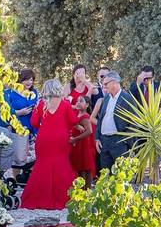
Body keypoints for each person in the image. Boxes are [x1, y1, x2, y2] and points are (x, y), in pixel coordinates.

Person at [21, 79, 79, 210]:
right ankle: (64, 197)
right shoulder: (65, 104)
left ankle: (39, 197)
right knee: (61, 164)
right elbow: (73, 120)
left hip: (44, 138)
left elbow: (34, 122)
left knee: (42, 165)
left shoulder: (41, 104)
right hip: (60, 139)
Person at [91, 72, 134, 171]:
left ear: (114, 82)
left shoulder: (127, 98)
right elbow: (101, 119)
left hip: (119, 142)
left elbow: (133, 122)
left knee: (121, 175)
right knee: (106, 175)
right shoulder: (106, 97)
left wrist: (126, 141)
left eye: (106, 84)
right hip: (104, 142)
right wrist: (97, 138)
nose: (104, 86)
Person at [68, 94, 96, 186]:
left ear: (87, 105)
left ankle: (85, 190)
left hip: (83, 145)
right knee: (79, 168)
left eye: (81, 101)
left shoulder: (85, 117)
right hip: (78, 145)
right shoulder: (76, 113)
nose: (78, 103)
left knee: (84, 168)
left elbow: (89, 131)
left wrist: (75, 139)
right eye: (77, 101)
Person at [7, 69, 39, 138]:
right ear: (20, 80)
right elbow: (6, 113)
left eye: (31, 80)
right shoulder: (10, 93)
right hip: (17, 128)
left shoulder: (34, 92)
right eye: (26, 80)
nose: (29, 82)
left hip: (33, 129)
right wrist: (19, 112)